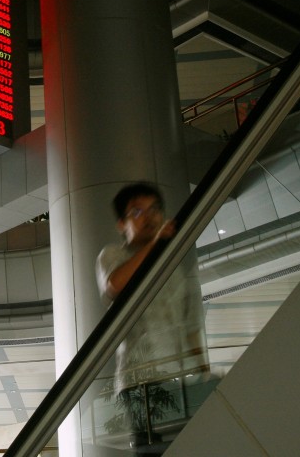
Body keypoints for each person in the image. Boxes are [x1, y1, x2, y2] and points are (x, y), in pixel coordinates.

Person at [96, 182, 208, 451]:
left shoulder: (177, 266)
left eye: (155, 209)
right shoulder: (113, 255)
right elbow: (115, 285)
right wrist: (157, 244)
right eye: (137, 212)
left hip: (182, 378)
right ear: (122, 224)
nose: (149, 217)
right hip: (140, 382)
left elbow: (191, 328)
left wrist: (204, 372)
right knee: (153, 451)